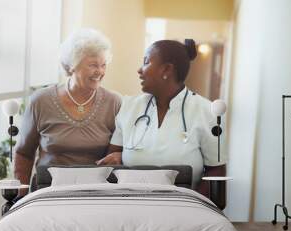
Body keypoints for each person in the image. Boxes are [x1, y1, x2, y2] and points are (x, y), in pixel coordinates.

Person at [97, 39, 226, 197]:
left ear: (166, 70)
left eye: (146, 62)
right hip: (131, 204)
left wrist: (192, 204)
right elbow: (112, 162)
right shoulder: (130, 107)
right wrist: (119, 157)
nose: (139, 70)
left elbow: (216, 172)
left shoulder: (207, 111)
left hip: (183, 209)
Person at [14, 28, 121, 197]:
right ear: (72, 66)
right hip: (48, 191)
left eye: (103, 65)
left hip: (96, 193)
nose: (100, 72)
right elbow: (24, 153)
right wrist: (19, 197)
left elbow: (120, 151)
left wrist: (119, 155)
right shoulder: (41, 101)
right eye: (93, 65)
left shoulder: (114, 102)